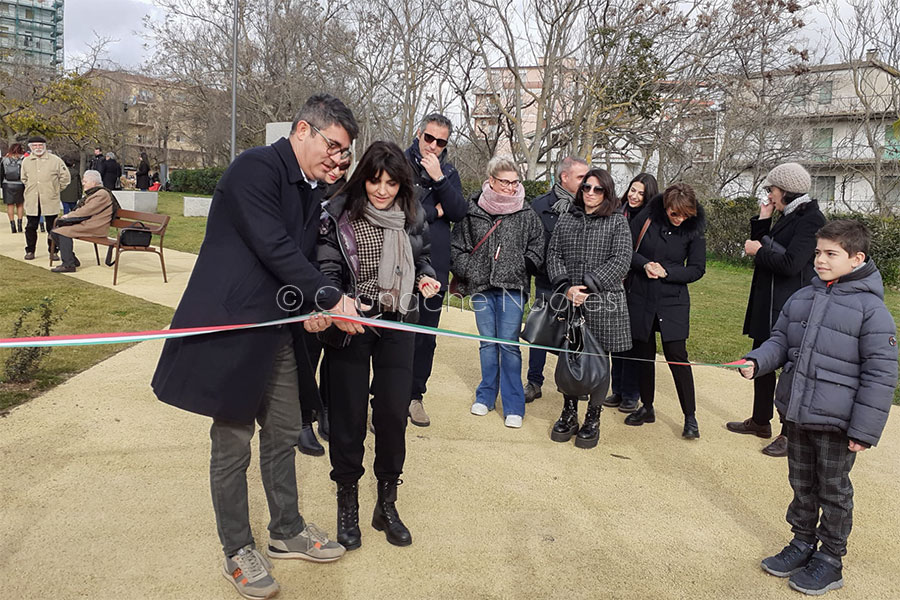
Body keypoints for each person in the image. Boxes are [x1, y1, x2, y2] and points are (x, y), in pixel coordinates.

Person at [151, 94, 361, 600]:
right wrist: (328, 295)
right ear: (303, 130)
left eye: (345, 154)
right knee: (232, 442)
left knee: (286, 428)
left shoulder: (313, 190)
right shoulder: (256, 168)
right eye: (333, 146)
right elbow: (273, 245)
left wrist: (312, 310)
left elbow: (300, 258)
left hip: (277, 328)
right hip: (232, 327)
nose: (337, 159)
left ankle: (286, 530)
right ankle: (237, 550)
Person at [737, 220, 897, 597]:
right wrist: (758, 361)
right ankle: (802, 541)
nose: (820, 260)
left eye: (830, 254)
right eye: (817, 253)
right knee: (801, 485)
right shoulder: (803, 297)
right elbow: (779, 340)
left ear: (857, 258)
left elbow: (881, 374)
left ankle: (830, 558)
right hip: (798, 413)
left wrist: (863, 430)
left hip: (837, 423)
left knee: (833, 491)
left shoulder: (872, 311)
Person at [317, 141, 440, 550]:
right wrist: (337, 302)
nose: (383, 190)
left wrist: (425, 276)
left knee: (392, 413)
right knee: (349, 414)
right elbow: (328, 267)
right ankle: (347, 499)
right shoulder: (340, 212)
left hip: (399, 319)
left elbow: (421, 258)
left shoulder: (411, 214)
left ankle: (386, 502)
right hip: (353, 322)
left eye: (391, 182)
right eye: (375, 180)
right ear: (363, 177)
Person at [726, 162, 826, 457]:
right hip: (769, 302)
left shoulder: (811, 219)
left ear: (785, 190)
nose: (769, 194)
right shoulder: (789, 214)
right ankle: (760, 421)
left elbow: (791, 263)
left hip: (792, 305)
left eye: (771, 189)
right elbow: (765, 244)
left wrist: (758, 252)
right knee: (762, 361)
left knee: (791, 368)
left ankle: (788, 432)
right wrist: (763, 218)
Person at [450, 155, 544, 428]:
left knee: (509, 345)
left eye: (515, 182)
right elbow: (458, 246)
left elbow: (538, 244)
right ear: (491, 180)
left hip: (513, 287)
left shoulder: (526, 213)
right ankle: (486, 395)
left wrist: (524, 264)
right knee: (488, 344)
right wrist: (469, 269)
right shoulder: (473, 210)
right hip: (481, 286)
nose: (512, 187)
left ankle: (514, 404)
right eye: (505, 182)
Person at [545, 167, 632, 448]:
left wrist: (589, 286)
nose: (591, 193)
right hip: (570, 300)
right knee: (570, 356)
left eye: (598, 189)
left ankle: (593, 416)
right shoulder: (566, 219)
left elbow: (621, 260)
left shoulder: (617, 223)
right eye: (586, 188)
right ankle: (569, 411)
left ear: (607, 193)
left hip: (603, 303)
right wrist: (566, 287)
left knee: (598, 361)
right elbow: (554, 254)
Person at [623, 183, 706, 439]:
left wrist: (667, 272)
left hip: (673, 301)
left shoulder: (694, 230)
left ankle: (690, 416)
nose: (680, 219)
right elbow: (626, 249)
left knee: (677, 356)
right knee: (643, 354)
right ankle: (646, 407)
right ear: (666, 207)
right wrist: (646, 264)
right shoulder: (646, 218)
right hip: (642, 296)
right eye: (675, 214)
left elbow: (696, 268)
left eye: (685, 215)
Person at [403, 113, 467, 427]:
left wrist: (439, 179)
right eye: (429, 138)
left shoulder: (448, 172)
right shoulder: (397, 164)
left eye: (441, 141)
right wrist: (434, 210)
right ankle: (386, 397)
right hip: (400, 259)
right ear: (418, 133)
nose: (433, 145)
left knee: (426, 335)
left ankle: (415, 396)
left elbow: (458, 211)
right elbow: (400, 211)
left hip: (435, 265)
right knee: (394, 332)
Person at [295, 158, 351, 457]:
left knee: (334, 351)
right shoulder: (304, 190)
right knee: (307, 354)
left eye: (344, 165)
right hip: (304, 285)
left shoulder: (348, 197)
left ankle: (326, 409)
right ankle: (302, 419)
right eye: (333, 163)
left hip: (336, 284)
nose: (337, 170)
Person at [526, 156, 589, 403]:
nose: (587, 183)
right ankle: (534, 381)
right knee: (540, 331)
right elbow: (531, 242)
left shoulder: (589, 205)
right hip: (547, 281)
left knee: (576, 333)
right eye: (581, 177)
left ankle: (573, 381)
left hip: (577, 284)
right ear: (565, 177)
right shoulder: (540, 205)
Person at [604, 173, 659, 413]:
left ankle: (631, 393)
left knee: (635, 342)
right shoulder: (618, 212)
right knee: (616, 339)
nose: (634, 196)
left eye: (641, 193)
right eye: (633, 190)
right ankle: (617, 389)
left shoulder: (653, 220)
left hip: (639, 284)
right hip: (617, 283)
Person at [49, 170, 115, 273]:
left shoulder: (101, 194)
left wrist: (68, 216)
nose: (83, 183)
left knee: (61, 232)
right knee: (55, 231)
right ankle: (72, 260)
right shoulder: (95, 192)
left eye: (85, 181)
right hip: (89, 224)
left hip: (96, 227)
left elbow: (85, 211)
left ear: (93, 182)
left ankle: (68, 265)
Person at [21, 136, 70, 261]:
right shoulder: (26, 161)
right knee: (31, 227)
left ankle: (53, 251)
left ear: (45, 146)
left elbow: (65, 178)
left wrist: (56, 189)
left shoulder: (55, 160)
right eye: (35, 146)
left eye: (40, 145)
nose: (38, 148)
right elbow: (24, 179)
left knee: (52, 227)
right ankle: (30, 250)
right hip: (32, 199)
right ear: (30, 147)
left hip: (50, 199)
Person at [2, 143, 26, 233]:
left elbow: (2, 172)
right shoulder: (23, 159)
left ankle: (12, 225)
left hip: (7, 183)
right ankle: (20, 224)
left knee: (10, 205)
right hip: (20, 183)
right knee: (20, 204)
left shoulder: (5, 159)